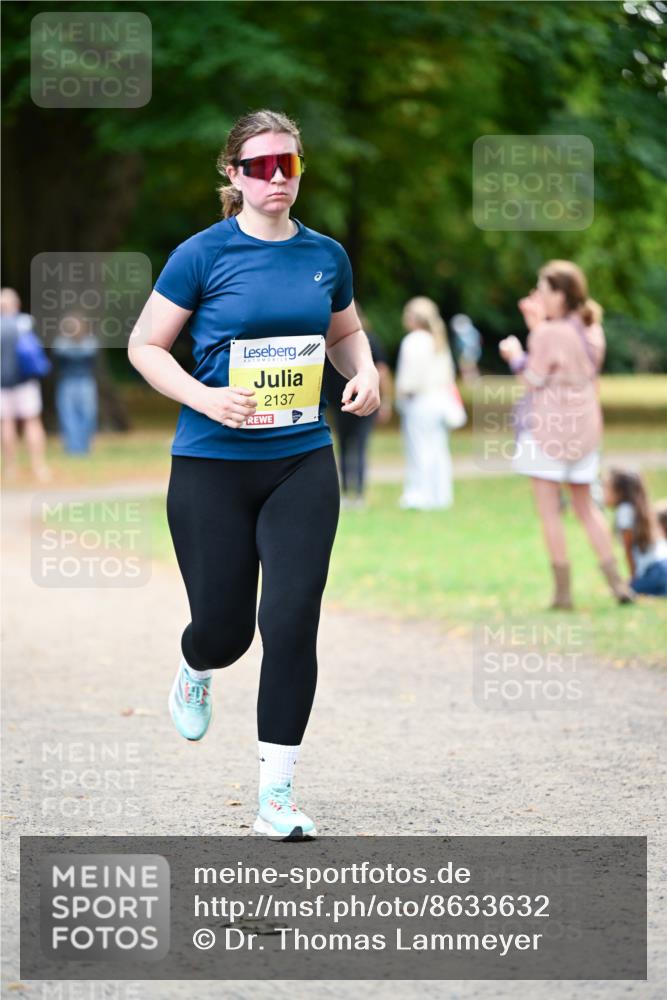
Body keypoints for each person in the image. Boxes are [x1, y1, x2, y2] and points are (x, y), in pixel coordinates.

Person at [127, 109, 380, 840]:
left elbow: (346, 331)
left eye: (288, 165)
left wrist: (362, 372)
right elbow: (146, 346)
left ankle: (275, 795)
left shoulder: (325, 255)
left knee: (292, 618)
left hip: (300, 458)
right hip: (210, 464)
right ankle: (194, 664)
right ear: (232, 176)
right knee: (227, 630)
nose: (277, 178)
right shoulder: (200, 256)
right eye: (260, 166)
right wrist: (206, 396)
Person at [499, 259, 634, 608]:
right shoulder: (591, 328)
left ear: (560, 293)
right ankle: (617, 582)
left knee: (550, 511)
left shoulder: (549, 333)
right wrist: (537, 325)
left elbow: (531, 379)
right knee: (587, 508)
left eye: (543, 289)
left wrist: (515, 354)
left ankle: (563, 593)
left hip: (548, 429)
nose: (539, 295)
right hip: (585, 428)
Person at [322, 301, 392, 508]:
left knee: (352, 446)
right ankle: (351, 493)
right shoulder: (329, 340)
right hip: (340, 401)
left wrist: (385, 401)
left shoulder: (368, 339)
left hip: (356, 400)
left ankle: (355, 492)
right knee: (349, 446)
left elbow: (381, 371)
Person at [395, 296, 456, 510]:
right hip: (439, 400)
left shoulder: (413, 341)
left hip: (420, 401)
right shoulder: (437, 341)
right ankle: (440, 495)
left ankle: (419, 495)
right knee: (438, 448)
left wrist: (401, 395)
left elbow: (409, 379)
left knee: (419, 448)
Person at [0, 287, 51, 483]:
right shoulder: (24, 323)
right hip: (26, 381)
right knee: (32, 422)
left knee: (6, 423)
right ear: (16, 304)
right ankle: (39, 466)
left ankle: (10, 468)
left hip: (2, 383)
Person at [603, 468, 667, 596]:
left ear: (620, 491)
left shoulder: (624, 511)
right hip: (662, 566)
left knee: (624, 589)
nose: (603, 493)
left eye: (606, 488)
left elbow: (629, 550)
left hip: (656, 572)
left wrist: (633, 578)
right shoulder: (641, 509)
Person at [52, 312, 99, 454]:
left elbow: (89, 352)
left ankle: (84, 446)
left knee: (88, 415)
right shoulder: (61, 341)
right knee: (68, 415)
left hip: (85, 382)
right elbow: (60, 352)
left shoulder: (90, 341)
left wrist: (74, 347)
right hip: (67, 383)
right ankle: (73, 448)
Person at [450, 313, 482, 383]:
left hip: (468, 352)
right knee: (469, 366)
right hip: (470, 351)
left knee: (466, 367)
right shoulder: (472, 331)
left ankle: (470, 380)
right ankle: (472, 380)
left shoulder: (468, 333)